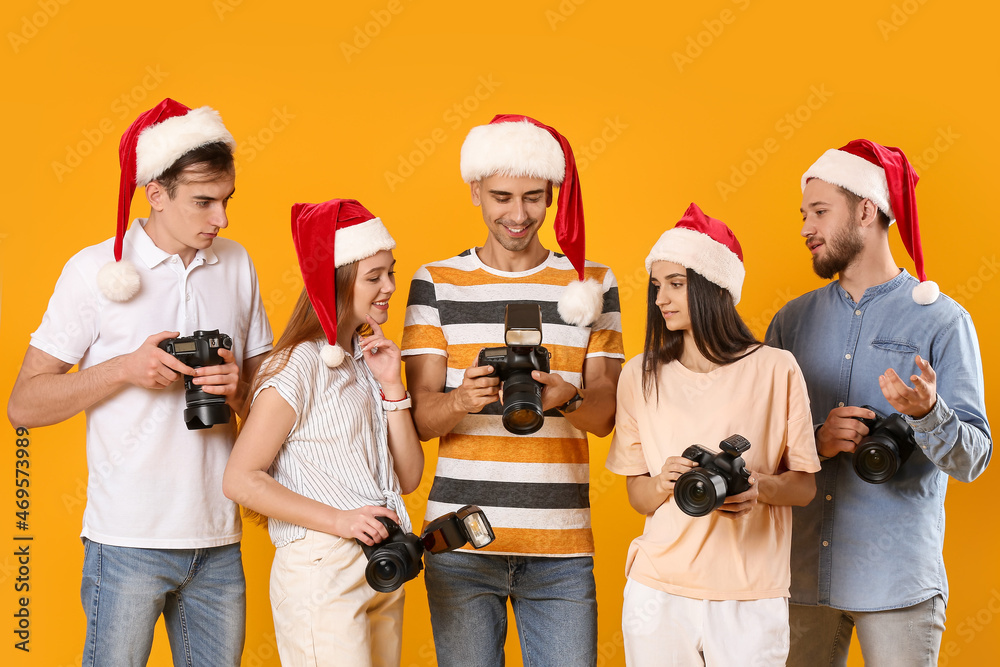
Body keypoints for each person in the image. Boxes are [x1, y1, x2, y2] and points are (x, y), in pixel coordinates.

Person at [6, 98, 273, 666]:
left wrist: (238, 386)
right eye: (203, 202)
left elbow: (271, 396)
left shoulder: (237, 262)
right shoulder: (92, 271)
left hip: (219, 539)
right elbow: (24, 405)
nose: (220, 219)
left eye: (226, 201)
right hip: (126, 539)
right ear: (156, 193)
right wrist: (125, 369)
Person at [401, 114, 624, 666]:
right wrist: (461, 399)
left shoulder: (591, 283)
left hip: (562, 546)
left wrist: (565, 398)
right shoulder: (436, 281)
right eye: (501, 196)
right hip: (461, 541)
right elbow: (418, 421)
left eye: (534, 197)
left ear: (553, 195)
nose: (518, 215)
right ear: (475, 190)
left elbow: (605, 416)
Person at [766, 139, 992, 666]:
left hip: (896, 582)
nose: (805, 228)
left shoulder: (942, 321)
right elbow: (756, 444)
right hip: (800, 579)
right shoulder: (790, 322)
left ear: (867, 210)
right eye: (804, 214)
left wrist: (928, 415)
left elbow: (974, 459)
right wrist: (814, 440)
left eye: (820, 212)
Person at [606, 203, 820, 666]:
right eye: (657, 285)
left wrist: (759, 488)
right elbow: (637, 496)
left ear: (714, 287)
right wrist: (662, 482)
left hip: (750, 594)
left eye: (677, 284)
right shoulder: (636, 375)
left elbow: (804, 486)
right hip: (657, 590)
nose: (661, 298)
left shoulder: (776, 369)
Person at [223, 199, 423, 666]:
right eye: (374, 277)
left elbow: (408, 478)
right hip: (323, 565)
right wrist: (339, 521)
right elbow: (240, 478)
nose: (389, 287)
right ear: (335, 279)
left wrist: (393, 386)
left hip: (381, 560)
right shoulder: (299, 363)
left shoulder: (370, 360)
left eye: (390, 273)